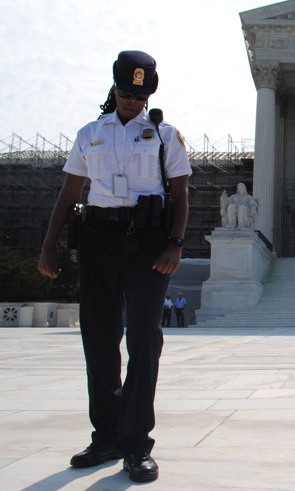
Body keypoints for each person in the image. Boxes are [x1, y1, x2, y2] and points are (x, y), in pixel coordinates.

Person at [37, 50, 191, 483]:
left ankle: (136, 443)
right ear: (115, 89)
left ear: (148, 96)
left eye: (139, 96)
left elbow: (181, 194)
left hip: (148, 241)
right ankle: (105, 435)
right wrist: (49, 246)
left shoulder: (165, 135)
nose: (131, 101)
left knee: (144, 338)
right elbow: (69, 194)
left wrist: (175, 244)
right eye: (125, 93)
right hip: (98, 238)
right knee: (99, 337)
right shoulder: (91, 134)